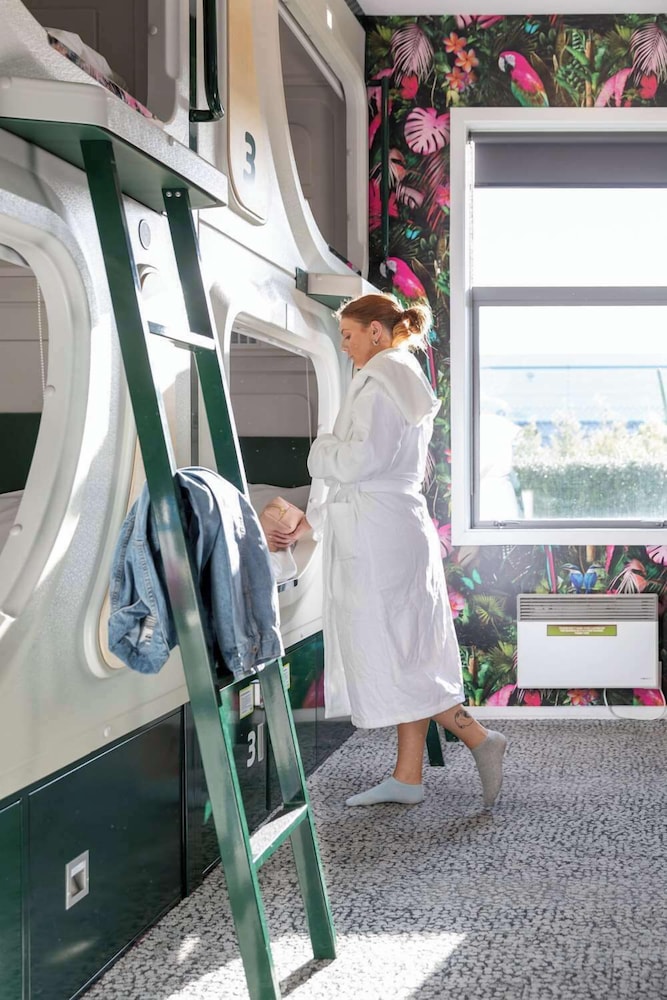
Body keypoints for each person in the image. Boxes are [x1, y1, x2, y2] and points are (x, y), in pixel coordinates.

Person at [270, 293, 507, 808]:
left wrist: (319, 448)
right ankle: (407, 776)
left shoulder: (380, 383)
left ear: (375, 331)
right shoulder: (400, 378)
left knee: (399, 652)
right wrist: (318, 514)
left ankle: (478, 737)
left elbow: (359, 462)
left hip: (380, 532)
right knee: (409, 646)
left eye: (349, 336)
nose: (345, 347)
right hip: (393, 524)